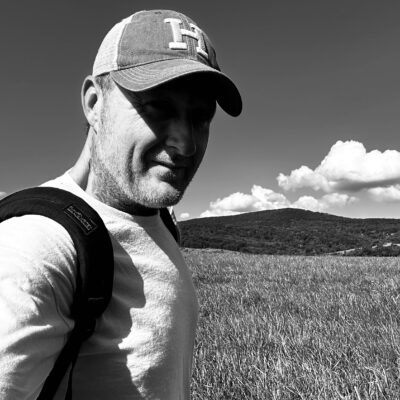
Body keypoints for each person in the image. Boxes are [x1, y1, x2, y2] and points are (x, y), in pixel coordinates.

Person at [0, 9, 242, 400]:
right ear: (95, 103)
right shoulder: (37, 249)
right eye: (157, 108)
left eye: (201, 117)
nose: (186, 144)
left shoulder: (156, 215)